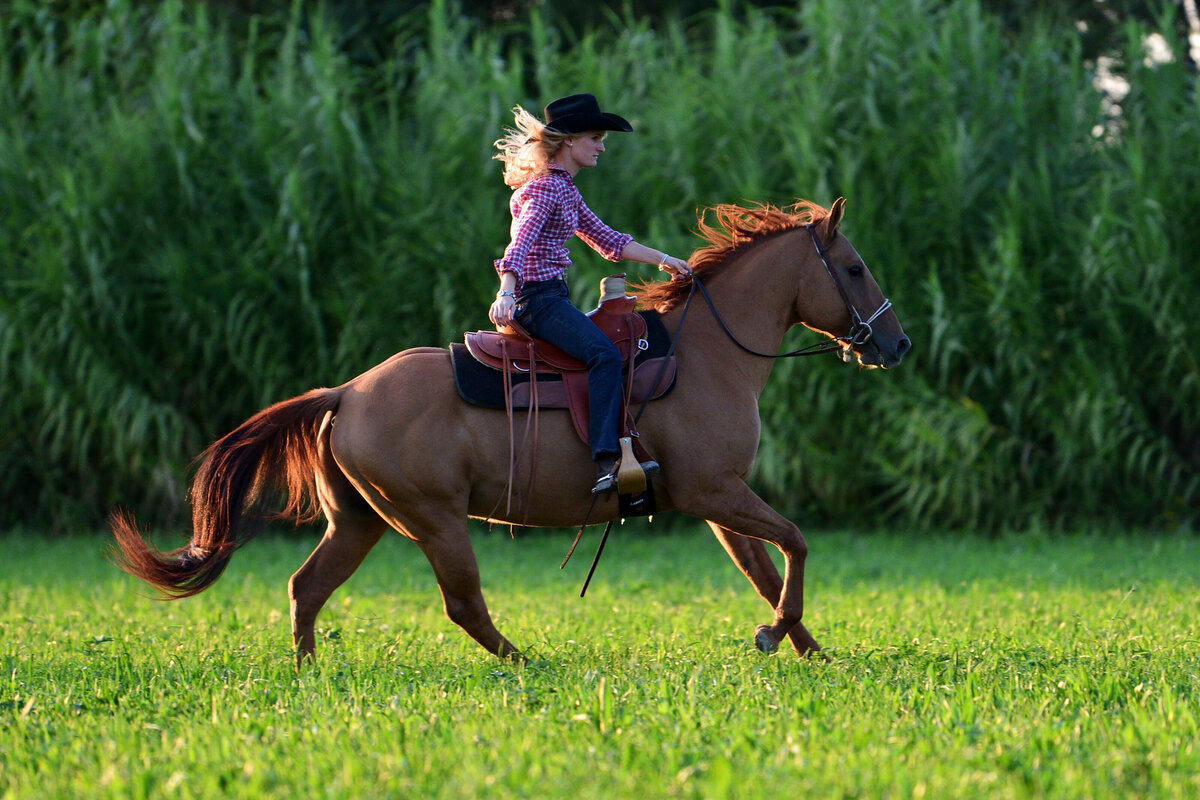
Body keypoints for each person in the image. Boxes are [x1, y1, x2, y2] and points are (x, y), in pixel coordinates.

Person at [490, 93, 691, 495]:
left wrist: (664, 259)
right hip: (536, 299)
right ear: (569, 141)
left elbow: (608, 240)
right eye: (595, 138)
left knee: (610, 346)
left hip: (552, 297)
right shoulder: (545, 190)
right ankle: (608, 459)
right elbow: (520, 242)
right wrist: (506, 291)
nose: (601, 146)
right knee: (602, 354)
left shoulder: (565, 190)